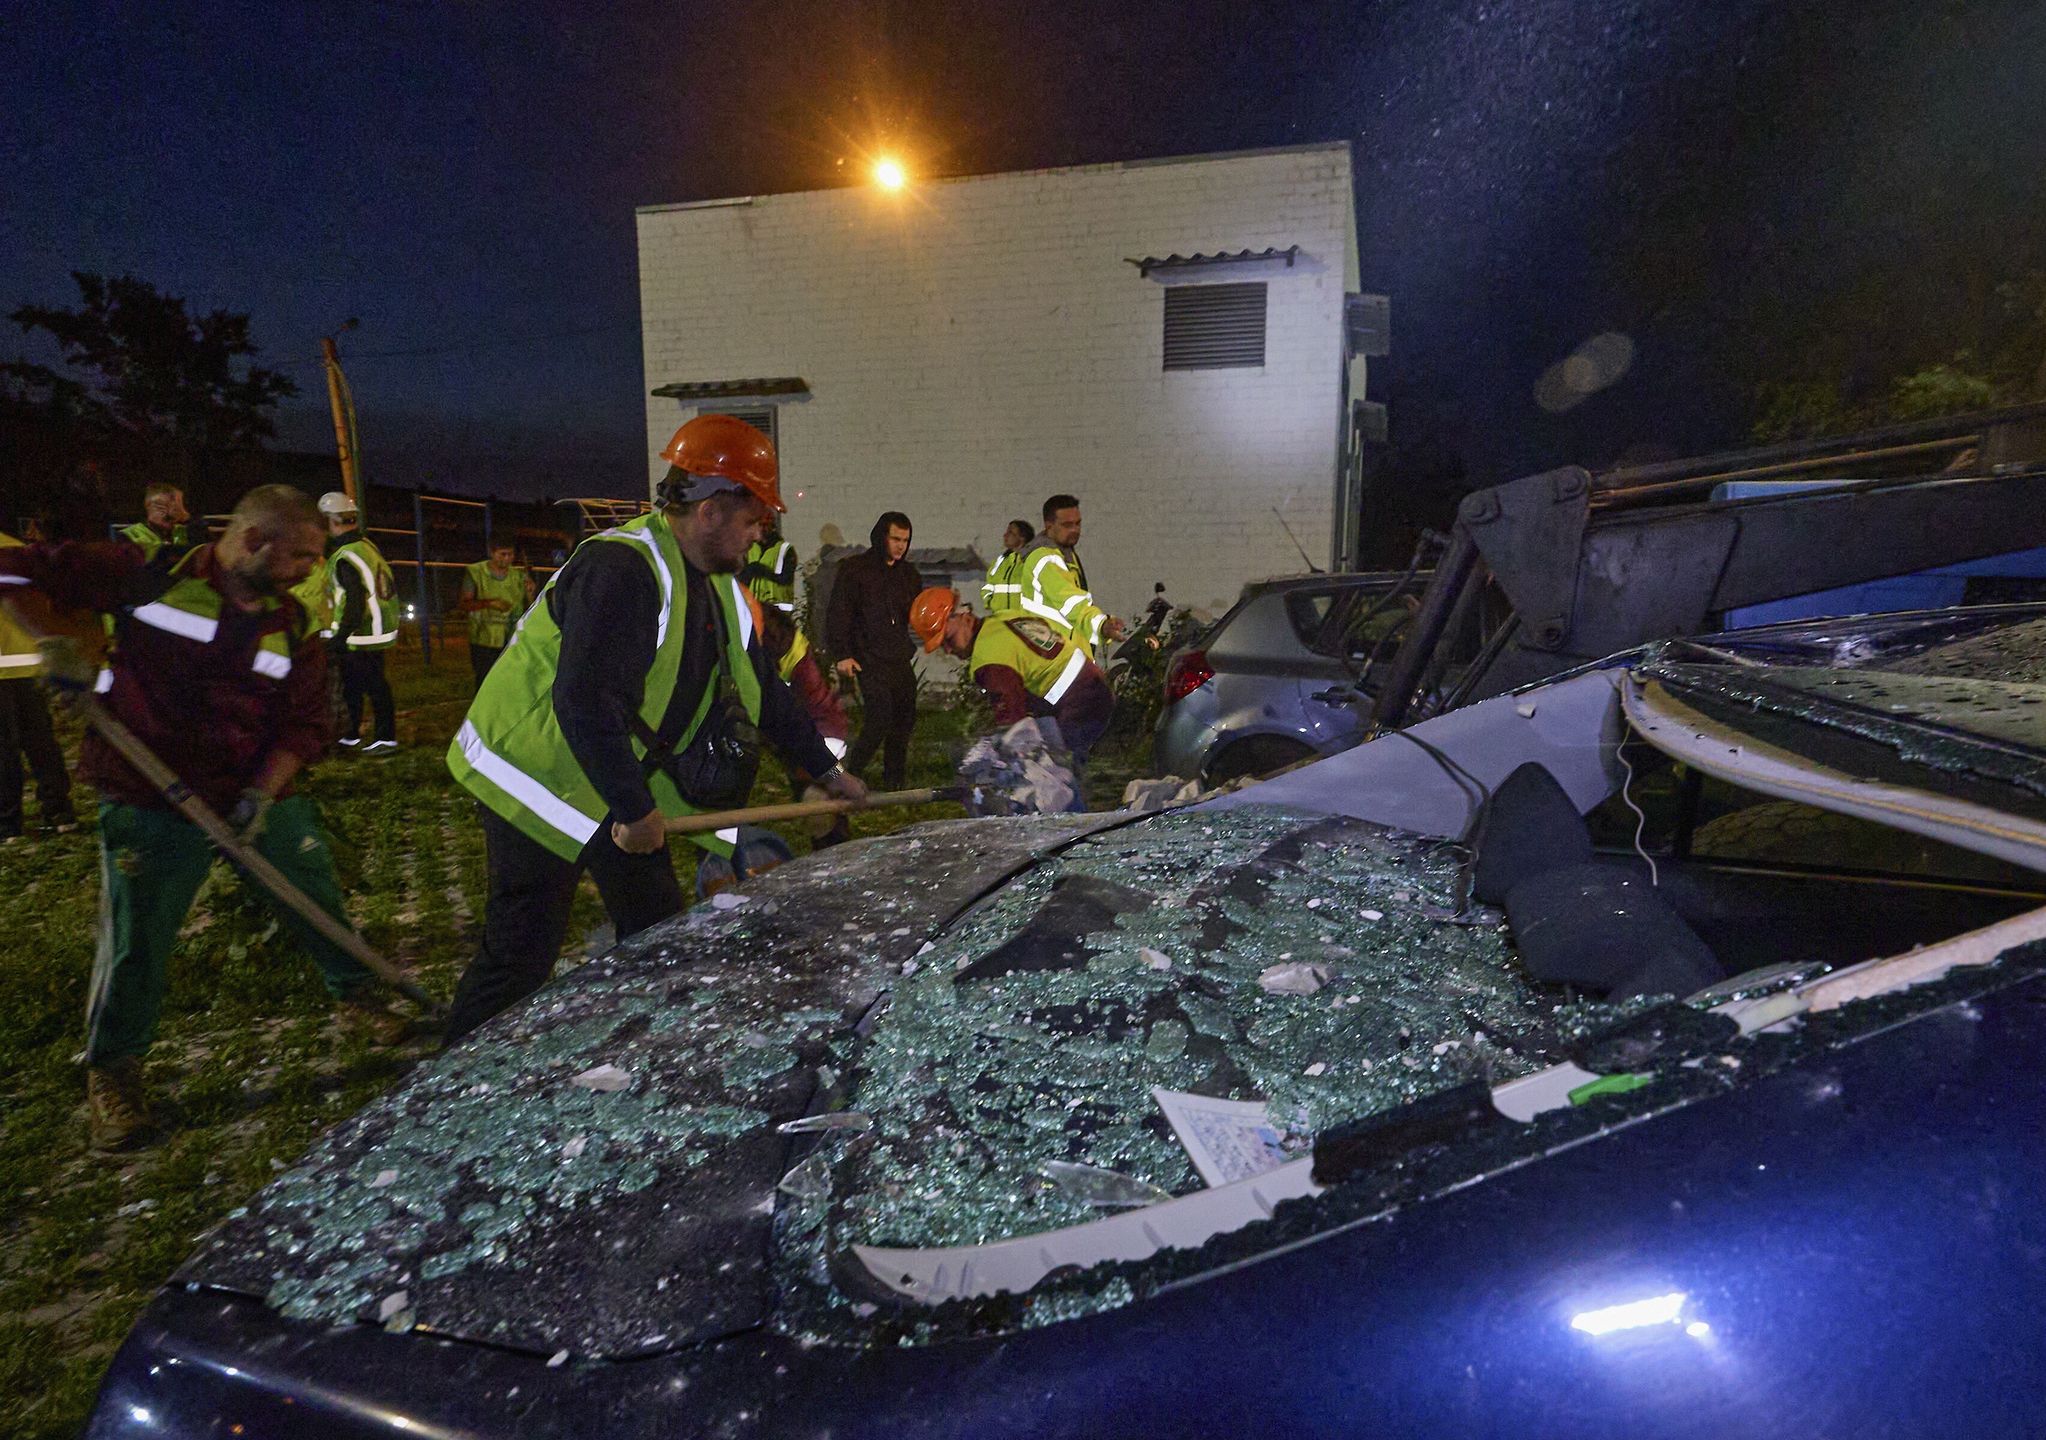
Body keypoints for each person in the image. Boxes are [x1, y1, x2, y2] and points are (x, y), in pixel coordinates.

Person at [0, 485, 411, 1151]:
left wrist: (260, 797)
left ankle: (360, 995)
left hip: (247, 790)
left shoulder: (290, 623)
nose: (311, 568)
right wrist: (52, 643)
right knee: (139, 935)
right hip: (147, 792)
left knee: (311, 884)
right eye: (301, 556)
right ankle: (114, 1073)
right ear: (253, 541)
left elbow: (305, 725)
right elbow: (11, 568)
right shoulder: (147, 576)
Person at [442, 414, 865, 1044]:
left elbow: (766, 695)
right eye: (753, 522)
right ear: (712, 511)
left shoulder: (718, 587)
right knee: (521, 957)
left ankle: (652, 1054)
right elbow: (583, 700)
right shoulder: (623, 570)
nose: (756, 539)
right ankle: (446, 1085)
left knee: (658, 931)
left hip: (610, 785)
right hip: (540, 779)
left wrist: (828, 772)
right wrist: (636, 810)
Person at [911, 585, 1113, 766]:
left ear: (964, 617)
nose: (947, 651)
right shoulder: (1003, 618)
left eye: (948, 639)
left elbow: (1013, 720)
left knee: (1058, 779)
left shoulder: (990, 658)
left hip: (1080, 706)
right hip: (1094, 687)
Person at [825, 511, 922, 789]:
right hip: (867, 656)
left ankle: (894, 781)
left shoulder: (908, 575)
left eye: (905, 540)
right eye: (895, 538)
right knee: (879, 716)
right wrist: (842, 654)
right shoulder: (856, 570)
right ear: (882, 537)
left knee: (904, 718)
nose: (901, 545)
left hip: (899, 656)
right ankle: (849, 774)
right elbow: (839, 613)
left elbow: (918, 612)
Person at [0, 531, 77, 840]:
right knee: (40, 740)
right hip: (29, 659)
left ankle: (7, 823)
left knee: (3, 748)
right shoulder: (14, 546)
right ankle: (59, 811)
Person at [757, 603, 852, 848]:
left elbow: (820, 715)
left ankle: (833, 854)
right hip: (781, 737)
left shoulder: (797, 662)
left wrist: (829, 774)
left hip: (816, 739)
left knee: (817, 806)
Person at [318, 491, 399, 753]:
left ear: (332, 521)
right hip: (372, 631)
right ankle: (350, 735)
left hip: (360, 635)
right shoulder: (366, 547)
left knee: (372, 687)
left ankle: (385, 738)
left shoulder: (345, 557)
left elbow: (354, 600)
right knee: (357, 686)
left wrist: (340, 637)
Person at [1001, 494, 1125, 657]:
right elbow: (1072, 603)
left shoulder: (1064, 553)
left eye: (1078, 523)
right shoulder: (1046, 558)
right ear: (1049, 525)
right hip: (1055, 661)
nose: (1075, 530)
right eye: (1067, 525)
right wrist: (1101, 625)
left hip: (1060, 657)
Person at [458, 540, 534, 687]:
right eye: (502, 554)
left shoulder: (518, 576)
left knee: (510, 681)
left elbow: (529, 608)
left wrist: (530, 593)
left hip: (512, 639)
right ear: (492, 553)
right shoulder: (476, 573)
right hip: (484, 640)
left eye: (510, 554)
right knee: (485, 682)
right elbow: (464, 604)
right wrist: (489, 603)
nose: (507, 558)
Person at [120, 482, 192, 569]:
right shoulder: (130, 535)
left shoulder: (184, 530)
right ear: (147, 506)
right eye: (162, 507)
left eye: (176, 506)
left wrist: (187, 519)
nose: (169, 513)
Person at [979, 517, 1035, 613]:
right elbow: (989, 585)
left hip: (1024, 619)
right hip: (1000, 618)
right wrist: (989, 602)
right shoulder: (1000, 561)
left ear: (1022, 537)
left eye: (1010, 532)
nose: (1005, 535)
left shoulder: (1031, 560)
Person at [742, 522, 798, 614]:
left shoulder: (785, 549)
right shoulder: (750, 549)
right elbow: (740, 580)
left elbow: (786, 579)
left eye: (759, 526)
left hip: (777, 614)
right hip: (753, 611)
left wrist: (764, 571)